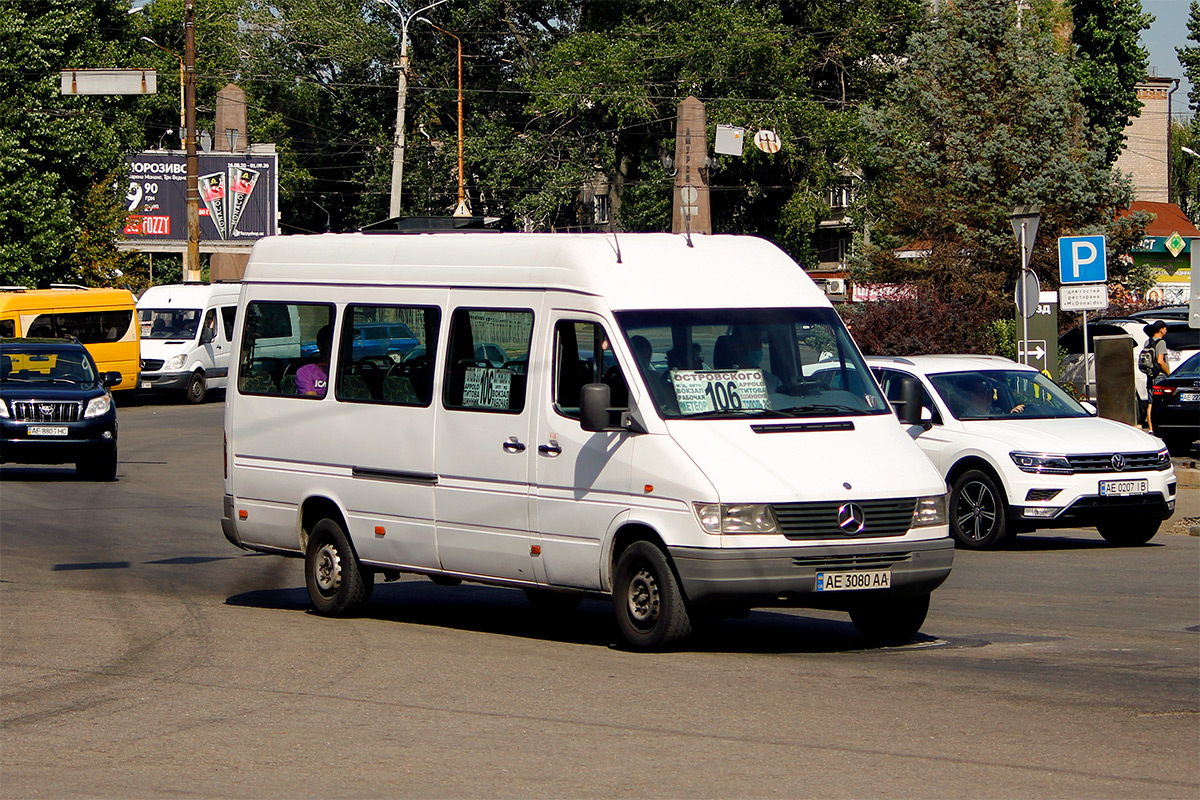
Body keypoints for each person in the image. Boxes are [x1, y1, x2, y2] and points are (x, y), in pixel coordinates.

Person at [1143, 320, 1170, 434]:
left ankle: (1150, 429)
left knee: (1150, 403)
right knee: (1162, 402)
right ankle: (1160, 426)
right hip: (1159, 376)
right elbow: (1160, 360)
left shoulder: (1147, 342)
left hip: (1150, 375)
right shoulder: (1161, 343)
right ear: (1161, 329)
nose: (1166, 330)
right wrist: (1169, 373)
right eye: (1165, 328)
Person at [297, 325, 332, 398]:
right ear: (320, 346)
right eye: (330, 344)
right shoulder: (306, 372)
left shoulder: (344, 372)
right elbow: (312, 400)